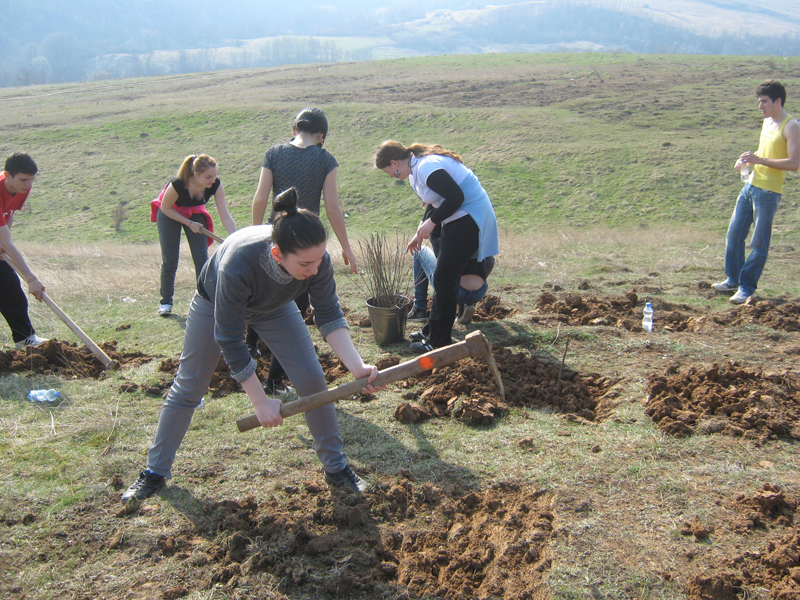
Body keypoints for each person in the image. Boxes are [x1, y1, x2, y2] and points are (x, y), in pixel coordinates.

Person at [122, 188, 380, 502]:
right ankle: (154, 472)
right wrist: (259, 401)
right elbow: (230, 339)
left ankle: (336, 468)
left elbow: (328, 314)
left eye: (318, 260)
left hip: (274, 307)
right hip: (214, 303)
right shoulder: (239, 265)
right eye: (305, 265)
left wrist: (357, 366)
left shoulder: (317, 259)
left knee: (313, 380)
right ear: (277, 254)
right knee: (190, 386)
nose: (314, 270)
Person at [248, 107, 357, 395]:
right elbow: (332, 208)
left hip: (275, 238)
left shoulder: (274, 153)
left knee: (260, 295)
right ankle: (273, 381)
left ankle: (249, 344)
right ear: (321, 136)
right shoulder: (325, 159)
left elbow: (261, 197)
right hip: (306, 244)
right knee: (294, 310)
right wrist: (346, 247)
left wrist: (254, 233)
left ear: (295, 130)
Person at [375, 141, 499, 352]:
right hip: (458, 218)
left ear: (395, 162)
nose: (392, 177)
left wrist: (432, 223)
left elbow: (456, 197)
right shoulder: (415, 170)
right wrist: (419, 233)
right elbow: (436, 203)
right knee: (443, 277)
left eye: (391, 172)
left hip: (472, 218)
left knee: (444, 277)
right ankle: (433, 329)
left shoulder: (425, 167)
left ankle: (439, 341)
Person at [713, 80, 799, 304]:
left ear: (777, 101)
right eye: (759, 101)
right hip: (750, 186)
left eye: (764, 102)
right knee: (734, 235)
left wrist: (759, 159)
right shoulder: (767, 122)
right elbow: (764, 151)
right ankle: (733, 279)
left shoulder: (791, 126)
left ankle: (747, 288)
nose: (760, 106)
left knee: (759, 244)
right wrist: (745, 160)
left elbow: (793, 163)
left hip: (768, 192)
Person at [151, 154, 237, 317]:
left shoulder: (216, 185)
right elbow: (165, 207)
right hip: (170, 214)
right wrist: (189, 223)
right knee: (170, 260)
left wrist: (236, 238)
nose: (212, 180)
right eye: (208, 177)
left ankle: (205, 300)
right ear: (195, 174)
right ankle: (166, 302)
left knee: (201, 259)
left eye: (214, 175)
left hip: (194, 213)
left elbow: (225, 215)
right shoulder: (178, 184)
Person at [0, 153, 48, 349]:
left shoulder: (22, 189)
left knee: (10, 286)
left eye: (31, 180)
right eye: (23, 179)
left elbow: (8, 214)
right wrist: (31, 279)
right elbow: (10, 244)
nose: (28, 185)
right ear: (7, 175)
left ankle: (25, 339)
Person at [409, 244, 495, 326]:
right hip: (479, 292)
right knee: (483, 258)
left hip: (452, 290)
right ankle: (466, 305)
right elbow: (490, 261)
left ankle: (419, 308)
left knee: (419, 250)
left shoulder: (449, 231)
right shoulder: (481, 231)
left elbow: (440, 259)